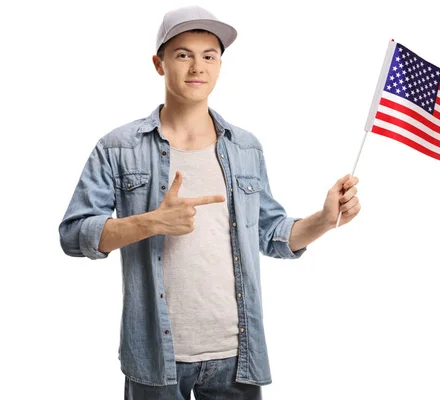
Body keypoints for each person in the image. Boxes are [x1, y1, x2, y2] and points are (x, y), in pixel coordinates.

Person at [58, 5, 361, 399]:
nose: (197, 66)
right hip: (155, 357)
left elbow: (270, 234)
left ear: (219, 66)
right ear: (159, 63)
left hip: (238, 356)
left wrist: (324, 218)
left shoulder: (245, 148)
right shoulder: (119, 147)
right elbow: (73, 235)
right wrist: (151, 222)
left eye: (209, 56)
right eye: (183, 54)